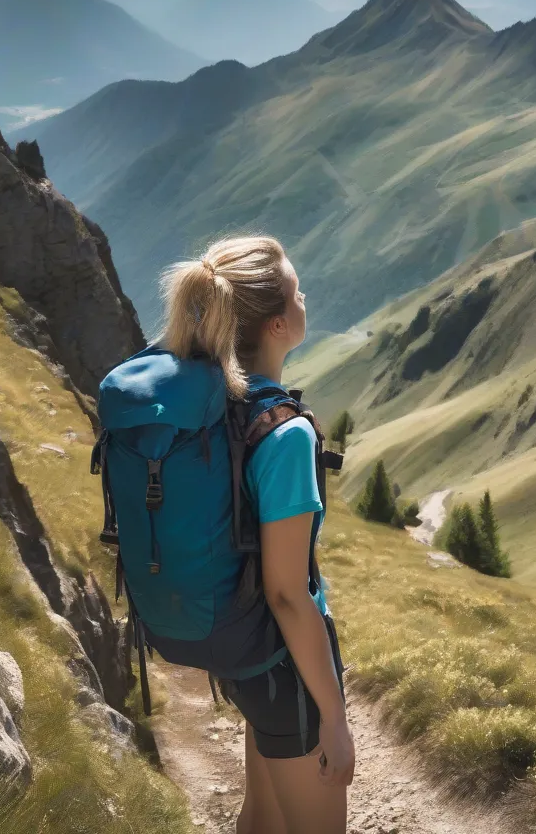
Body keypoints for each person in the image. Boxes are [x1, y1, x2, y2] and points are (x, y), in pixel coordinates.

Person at [160, 234, 355, 834]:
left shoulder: (211, 404)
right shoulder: (286, 434)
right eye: (297, 293)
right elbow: (287, 594)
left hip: (244, 658)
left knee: (261, 822)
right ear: (276, 325)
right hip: (283, 664)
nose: (305, 298)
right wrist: (334, 718)